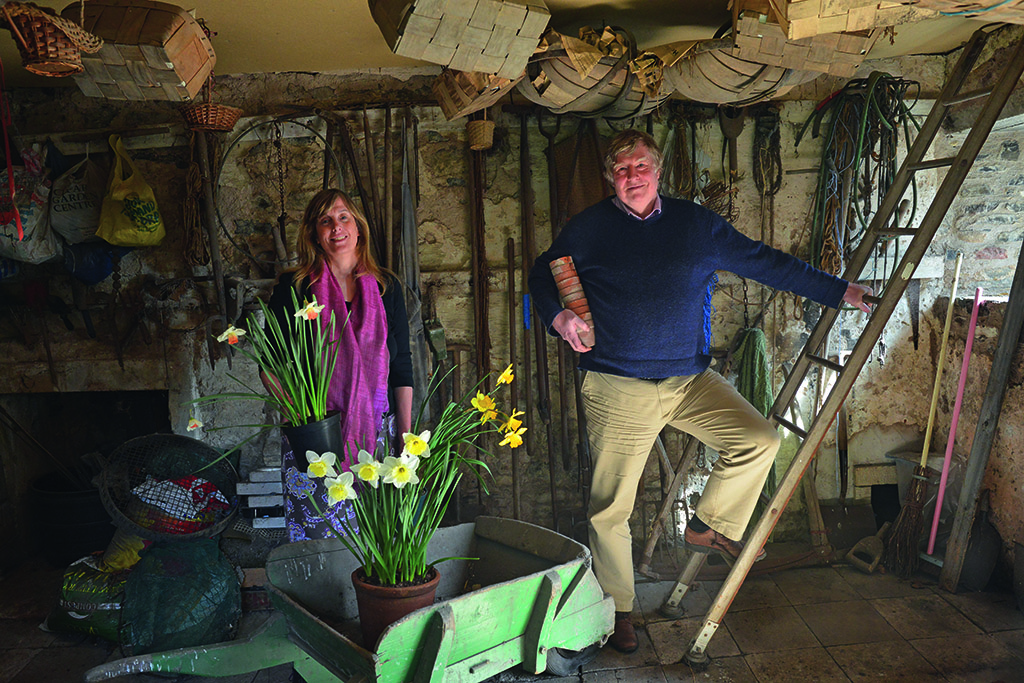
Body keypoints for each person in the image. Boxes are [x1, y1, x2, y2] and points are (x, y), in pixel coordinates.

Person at [528, 129, 872, 654]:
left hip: (689, 381)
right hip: (617, 384)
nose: (631, 177)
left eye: (640, 166)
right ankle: (619, 609)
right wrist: (557, 317)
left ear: (658, 170)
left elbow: (766, 262)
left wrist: (838, 290)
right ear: (609, 178)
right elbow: (541, 270)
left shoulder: (696, 225)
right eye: (620, 170)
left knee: (760, 438)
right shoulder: (589, 228)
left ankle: (709, 525)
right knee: (610, 509)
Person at [266, 188, 413, 542]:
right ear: (315, 233)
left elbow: (402, 366)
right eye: (325, 221)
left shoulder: (386, 288)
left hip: (378, 434)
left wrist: (406, 438)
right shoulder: (296, 288)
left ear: (358, 227)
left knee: (379, 540)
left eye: (343, 217)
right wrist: (298, 418)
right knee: (321, 537)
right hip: (317, 433)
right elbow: (272, 363)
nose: (336, 227)